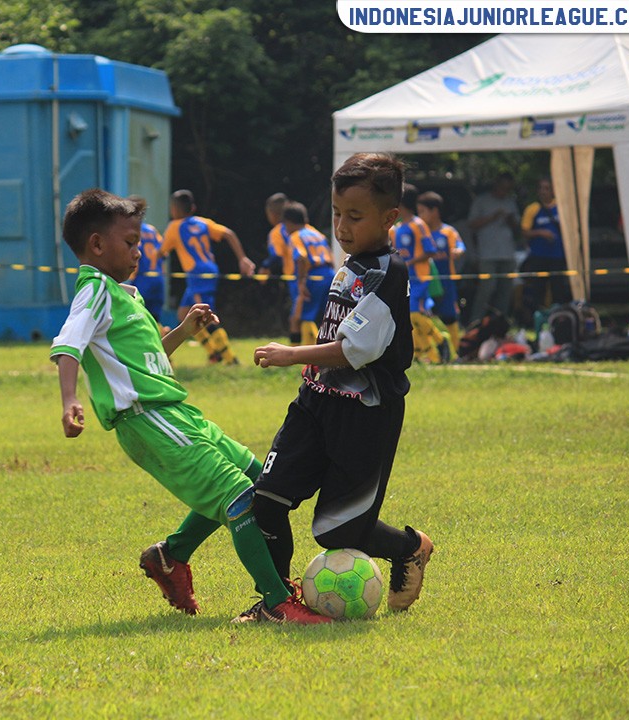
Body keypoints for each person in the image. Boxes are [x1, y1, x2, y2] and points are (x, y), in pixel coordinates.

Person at [51, 188, 328, 624]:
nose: (139, 251)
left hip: (175, 411)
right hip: (148, 418)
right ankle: (276, 603)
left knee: (259, 477)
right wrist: (69, 400)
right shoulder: (94, 291)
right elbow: (68, 345)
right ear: (97, 245)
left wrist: (183, 330)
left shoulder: (125, 295)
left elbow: (149, 361)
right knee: (238, 496)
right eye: (131, 242)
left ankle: (171, 555)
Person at [236, 153, 433, 622]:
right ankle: (278, 602)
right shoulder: (352, 263)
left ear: (389, 218)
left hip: (365, 415)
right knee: (266, 502)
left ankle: (409, 547)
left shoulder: (389, 274)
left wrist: (291, 353)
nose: (342, 226)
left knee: (335, 532)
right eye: (337, 213)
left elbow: (354, 349)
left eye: (355, 216)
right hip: (315, 404)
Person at [161, 189, 256, 364]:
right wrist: (242, 258)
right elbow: (228, 234)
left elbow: (161, 251)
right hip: (209, 270)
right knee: (183, 314)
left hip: (196, 273)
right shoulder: (203, 223)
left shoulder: (174, 226)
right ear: (193, 208)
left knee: (205, 315)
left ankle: (230, 359)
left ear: (173, 209)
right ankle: (214, 354)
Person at [392, 184, 447, 363]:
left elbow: (430, 250)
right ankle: (424, 354)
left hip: (420, 278)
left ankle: (440, 340)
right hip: (404, 279)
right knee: (408, 318)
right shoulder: (396, 228)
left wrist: (410, 262)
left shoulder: (418, 225)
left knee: (414, 314)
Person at [467, 172, 521, 323]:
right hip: (487, 254)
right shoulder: (481, 201)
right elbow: (471, 224)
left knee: (505, 290)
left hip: (507, 253)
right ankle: (476, 321)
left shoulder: (510, 202)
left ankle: (500, 323)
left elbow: (517, 228)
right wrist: (493, 217)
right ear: (496, 185)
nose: (504, 191)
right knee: (487, 288)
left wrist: (510, 220)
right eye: (502, 187)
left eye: (508, 189)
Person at [417, 191, 466, 352]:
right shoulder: (419, 232)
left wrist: (458, 251)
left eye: (422, 211)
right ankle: (429, 349)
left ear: (435, 211)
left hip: (446, 281)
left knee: (450, 316)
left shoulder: (448, 231)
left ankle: (455, 351)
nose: (420, 216)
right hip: (424, 281)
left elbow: (460, 246)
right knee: (421, 315)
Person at [519, 178, 571, 326]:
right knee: (537, 291)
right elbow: (524, 232)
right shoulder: (533, 209)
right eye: (541, 188)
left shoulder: (561, 207)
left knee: (558, 290)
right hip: (538, 256)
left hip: (558, 256)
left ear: (553, 191)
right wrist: (541, 233)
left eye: (547, 188)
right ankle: (537, 322)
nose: (543, 191)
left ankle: (559, 322)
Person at [284, 202, 335, 347]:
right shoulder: (317, 234)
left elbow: (301, 257)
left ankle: (298, 353)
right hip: (329, 275)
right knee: (327, 318)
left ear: (288, 222)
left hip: (312, 276)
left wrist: (301, 283)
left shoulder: (296, 236)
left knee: (299, 318)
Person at [262, 193, 301, 343]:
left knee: (298, 317)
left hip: (297, 276)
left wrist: (265, 268)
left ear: (272, 214)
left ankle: (299, 350)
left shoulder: (277, 232)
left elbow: (276, 256)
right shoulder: (306, 228)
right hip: (322, 274)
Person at [126, 195, 165, 323]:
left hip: (142, 279)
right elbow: (163, 253)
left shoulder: (132, 231)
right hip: (158, 278)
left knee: (137, 318)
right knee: (155, 319)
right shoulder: (152, 230)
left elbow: (134, 253)